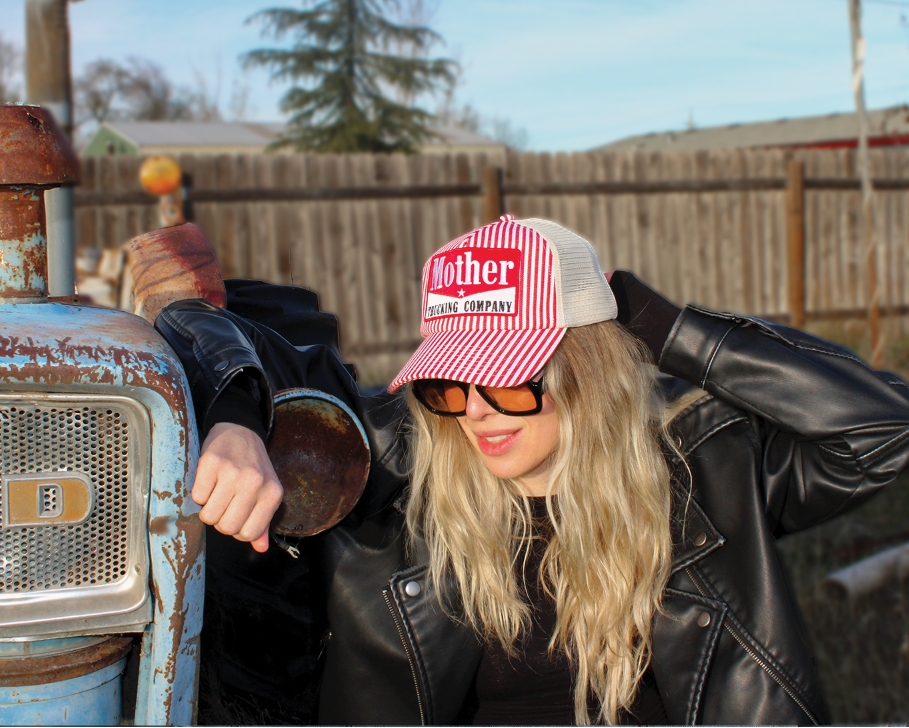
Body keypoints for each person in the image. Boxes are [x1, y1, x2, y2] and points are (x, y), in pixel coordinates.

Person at [156, 215, 909, 725]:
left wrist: (671, 330)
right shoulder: (397, 462)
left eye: (510, 380)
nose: (474, 413)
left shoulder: (705, 468)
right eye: (449, 381)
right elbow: (194, 327)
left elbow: (881, 428)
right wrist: (237, 412)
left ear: (588, 369)